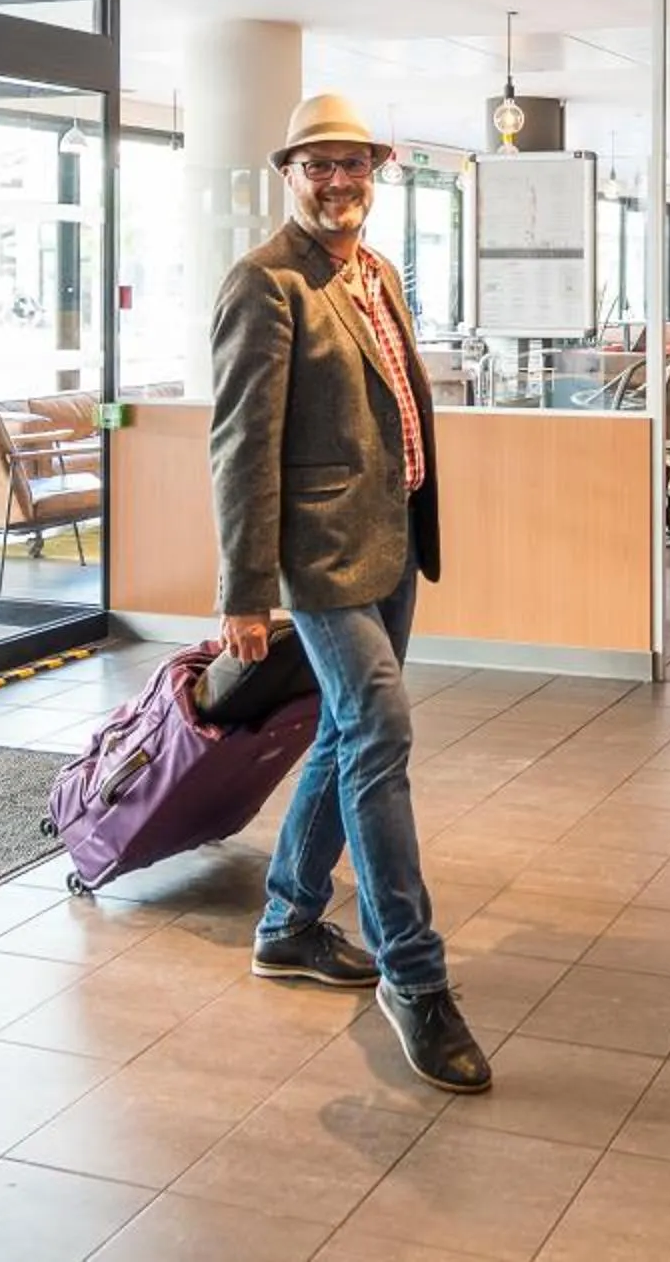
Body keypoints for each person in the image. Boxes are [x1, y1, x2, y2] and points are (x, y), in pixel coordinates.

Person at [210, 93, 489, 1094]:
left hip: (394, 539)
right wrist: (244, 590)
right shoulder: (265, 282)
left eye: (354, 166)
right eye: (319, 166)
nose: (339, 182)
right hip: (322, 555)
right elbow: (242, 446)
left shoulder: (374, 271)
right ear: (289, 173)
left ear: (376, 175)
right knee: (380, 733)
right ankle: (414, 975)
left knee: (343, 731)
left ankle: (287, 924)